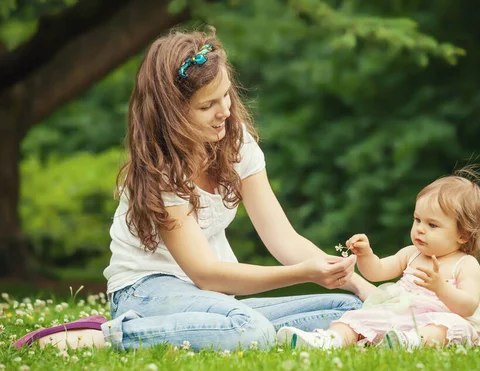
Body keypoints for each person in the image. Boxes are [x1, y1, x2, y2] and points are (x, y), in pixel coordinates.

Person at [12, 28, 377, 352]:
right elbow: (206, 272)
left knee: (352, 313)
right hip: (148, 291)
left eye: (226, 96)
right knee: (249, 330)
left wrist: (361, 286)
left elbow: (283, 239)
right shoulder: (160, 171)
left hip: (213, 299)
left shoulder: (237, 144)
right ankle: (104, 336)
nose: (225, 112)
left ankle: (215, 329)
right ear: (172, 113)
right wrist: (304, 274)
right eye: (207, 105)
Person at [276, 169, 480, 350]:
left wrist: (440, 288)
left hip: (439, 319)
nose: (420, 230)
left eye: (432, 225)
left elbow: (468, 306)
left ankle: (411, 342)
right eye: (417, 220)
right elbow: (377, 272)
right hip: (400, 316)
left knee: (451, 327)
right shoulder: (411, 254)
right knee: (358, 318)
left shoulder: (465, 265)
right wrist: (366, 255)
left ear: (463, 234)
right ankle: (330, 340)